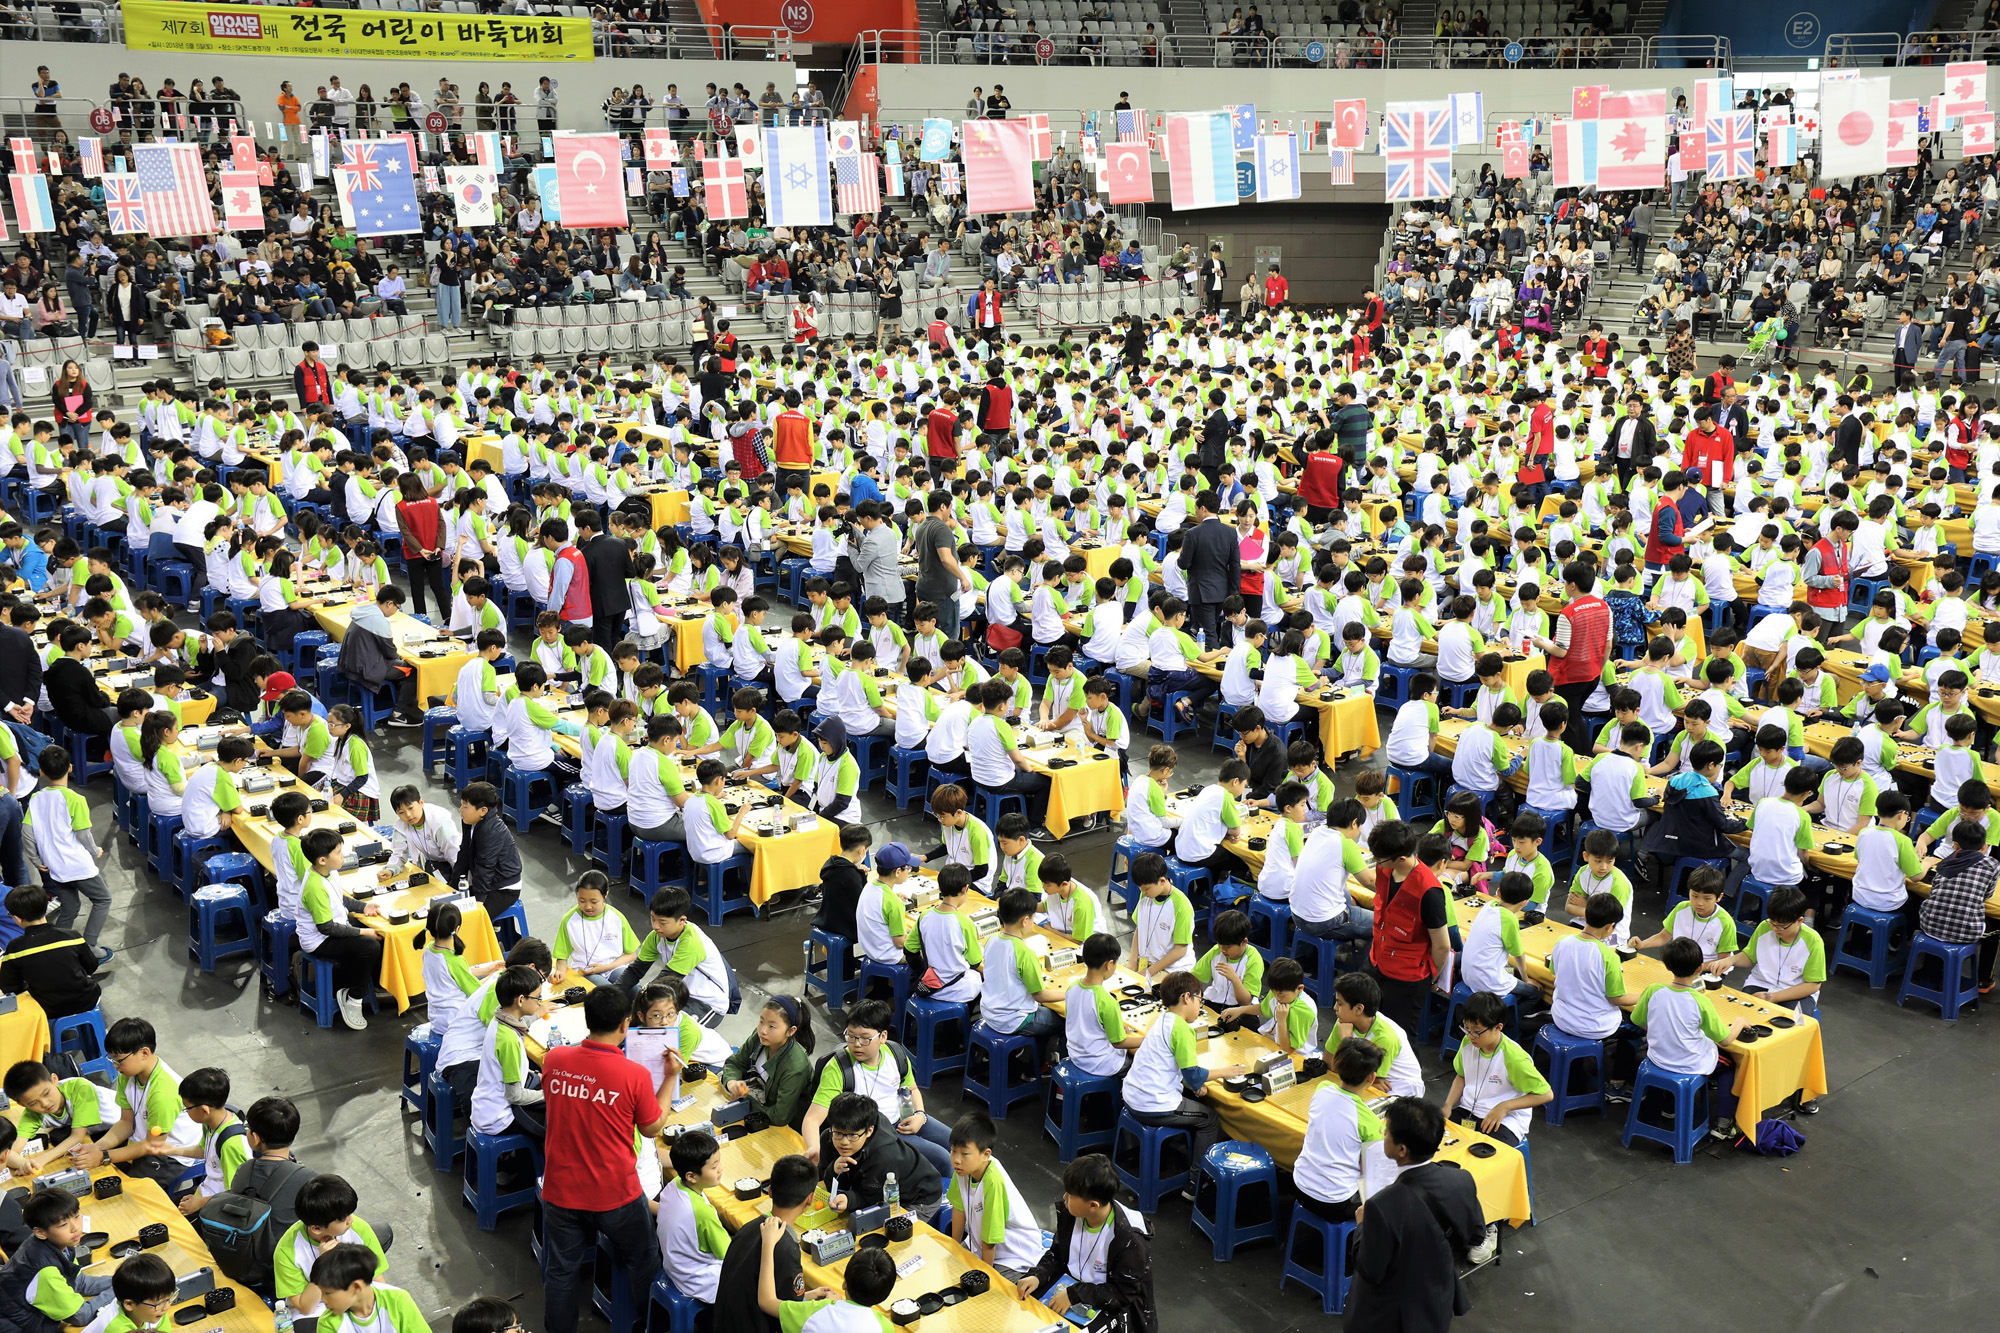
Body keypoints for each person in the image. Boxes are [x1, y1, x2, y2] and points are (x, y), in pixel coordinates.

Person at [539, 985, 669, 1333]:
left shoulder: (555, 1060)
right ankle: (650, 1325)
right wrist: (671, 1077)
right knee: (643, 1261)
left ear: (587, 1018)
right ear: (626, 1024)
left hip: (561, 1190)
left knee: (561, 1271)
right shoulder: (634, 1075)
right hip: (615, 1195)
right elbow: (653, 1127)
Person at [1344, 1098, 1492, 1331]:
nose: (1384, 1135)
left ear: (1401, 1150)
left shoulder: (1381, 1206)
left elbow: (1369, 1270)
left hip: (1391, 1315)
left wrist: (1362, 1225)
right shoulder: (1462, 1179)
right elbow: (1476, 1236)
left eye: (1386, 1131)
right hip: (1437, 1301)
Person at [1122, 971, 1246, 1180]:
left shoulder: (1163, 1020)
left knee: (1194, 1100)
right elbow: (1194, 1076)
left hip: (1131, 1096)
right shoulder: (1182, 1029)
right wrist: (1228, 1071)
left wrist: (1195, 1083)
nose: (1200, 1006)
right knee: (1210, 1118)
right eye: (1199, 999)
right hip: (1152, 1104)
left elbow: (1178, 1067)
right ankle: (1196, 1181)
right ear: (1186, 997)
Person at [1017, 1155, 1156, 1332]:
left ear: (1093, 1206)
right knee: (1025, 1305)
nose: (1064, 1197)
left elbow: (1123, 1295)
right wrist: (1038, 1275)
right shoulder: (1072, 1212)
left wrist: (1075, 1295)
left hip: (1113, 1305)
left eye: (1070, 1195)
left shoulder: (1129, 1239)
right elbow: (1057, 1254)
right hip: (1074, 1286)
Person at [712, 1154, 819, 1333]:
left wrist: (807, 1296)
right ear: (810, 1199)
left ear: (770, 1191)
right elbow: (788, 1311)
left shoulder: (749, 1227)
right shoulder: (785, 1246)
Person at [815, 1090, 945, 1221]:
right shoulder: (828, 1138)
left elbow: (872, 1201)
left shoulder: (884, 1156)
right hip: (871, 1189)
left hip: (918, 1198)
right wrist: (833, 1170)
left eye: (852, 1135)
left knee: (888, 1232)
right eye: (838, 1133)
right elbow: (825, 1179)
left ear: (869, 1130)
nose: (844, 1142)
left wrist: (848, 1199)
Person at [0, 882, 101, 1019]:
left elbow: (10, 987)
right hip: (87, 999)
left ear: (17, 918)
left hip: (48, 1009)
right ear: (44, 907)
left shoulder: (14, 949)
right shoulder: (72, 936)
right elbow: (91, 966)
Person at [1176, 491, 1241, 640]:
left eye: (1196, 508)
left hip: (1201, 592)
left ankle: (1214, 661)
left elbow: (1184, 563)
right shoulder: (1230, 532)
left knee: (1207, 633)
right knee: (1213, 631)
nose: (1195, 511)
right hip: (1223, 591)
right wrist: (1233, 593)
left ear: (1203, 509)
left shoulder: (1192, 534)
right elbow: (1235, 565)